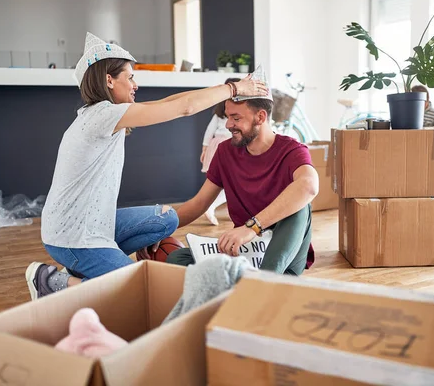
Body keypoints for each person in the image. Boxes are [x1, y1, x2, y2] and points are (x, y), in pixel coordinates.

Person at [25, 32, 267, 300]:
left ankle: (89, 268)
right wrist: (233, 89)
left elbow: (171, 103)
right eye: (130, 77)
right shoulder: (103, 115)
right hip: (74, 236)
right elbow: (184, 109)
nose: (135, 84)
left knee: (166, 217)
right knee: (141, 288)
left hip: (95, 224)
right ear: (109, 80)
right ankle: (52, 282)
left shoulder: (106, 113)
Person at [166, 69, 319, 275]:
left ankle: (266, 280)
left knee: (300, 205)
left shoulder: (292, 150)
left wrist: (251, 228)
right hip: (247, 249)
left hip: (282, 253)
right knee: (176, 258)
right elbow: (199, 203)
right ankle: (251, 282)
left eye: (236, 118)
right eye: (228, 117)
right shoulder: (224, 151)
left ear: (260, 117)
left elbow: (309, 186)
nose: (229, 124)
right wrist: (156, 231)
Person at [200, 77, 241, 226]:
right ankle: (210, 206)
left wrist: (205, 148)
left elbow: (209, 131)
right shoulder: (238, 109)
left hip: (215, 144)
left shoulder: (220, 110)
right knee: (232, 183)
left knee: (223, 182)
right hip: (227, 145)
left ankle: (232, 210)